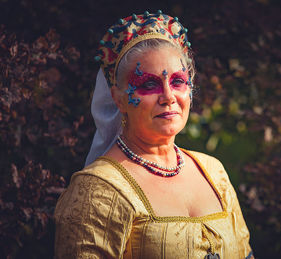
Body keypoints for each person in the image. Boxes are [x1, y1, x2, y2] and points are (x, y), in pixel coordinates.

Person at [54, 10, 254, 259]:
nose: (169, 97)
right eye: (149, 84)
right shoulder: (97, 189)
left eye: (178, 81)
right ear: (118, 99)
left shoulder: (214, 172)